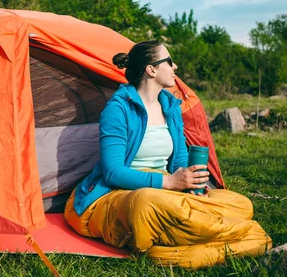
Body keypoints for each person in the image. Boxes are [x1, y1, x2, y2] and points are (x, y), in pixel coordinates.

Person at [64, 41, 272, 268]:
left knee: (241, 203)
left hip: (166, 192)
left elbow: (180, 159)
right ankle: (247, 234)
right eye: (169, 62)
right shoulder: (119, 108)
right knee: (147, 203)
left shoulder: (170, 107)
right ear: (151, 70)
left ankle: (179, 246)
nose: (175, 67)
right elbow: (113, 172)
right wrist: (171, 182)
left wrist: (192, 185)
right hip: (122, 193)